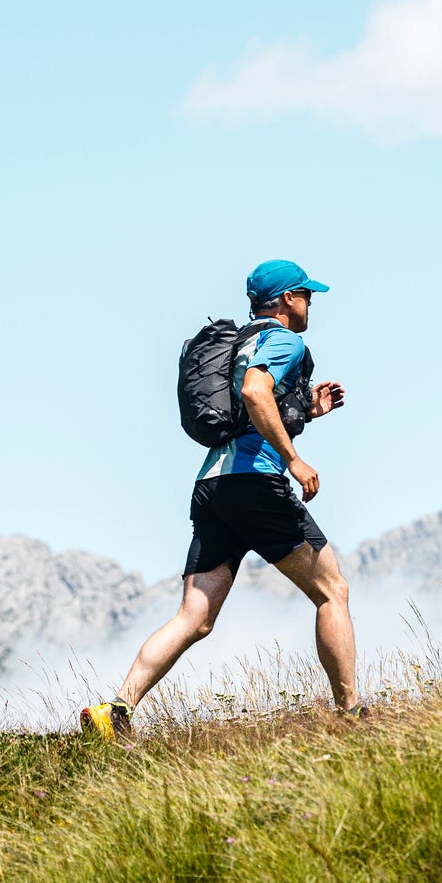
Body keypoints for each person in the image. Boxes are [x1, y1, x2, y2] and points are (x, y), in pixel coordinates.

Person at [80, 259, 359, 741]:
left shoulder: (241, 341)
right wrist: (294, 459)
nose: (312, 303)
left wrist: (305, 411)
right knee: (333, 592)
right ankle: (351, 716)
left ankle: (115, 709)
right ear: (290, 299)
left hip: (213, 486)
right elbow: (254, 392)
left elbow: (248, 409)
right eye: (308, 295)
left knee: (195, 617)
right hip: (255, 484)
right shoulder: (287, 340)